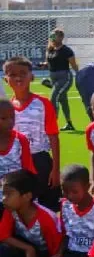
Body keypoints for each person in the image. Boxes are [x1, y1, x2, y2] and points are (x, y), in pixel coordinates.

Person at [4, 56, 61, 212]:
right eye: (12, 74)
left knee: (47, 207)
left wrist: (55, 169)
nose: (18, 77)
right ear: (5, 79)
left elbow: (53, 136)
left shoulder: (43, 103)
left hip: (40, 160)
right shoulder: (6, 108)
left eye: (23, 73)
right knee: (22, 207)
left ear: (32, 76)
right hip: (18, 163)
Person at [0, 170, 62, 257]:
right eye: (3, 193)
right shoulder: (11, 210)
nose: (3, 198)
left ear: (27, 196)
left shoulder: (46, 218)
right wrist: (28, 248)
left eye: (8, 194)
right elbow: (2, 235)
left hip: (46, 254)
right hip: (29, 251)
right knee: (2, 249)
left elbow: (57, 249)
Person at [44, 29, 78, 131]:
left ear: (61, 38)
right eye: (51, 36)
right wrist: (43, 65)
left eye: (54, 36)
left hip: (64, 78)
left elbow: (74, 65)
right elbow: (48, 63)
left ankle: (52, 123)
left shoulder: (67, 50)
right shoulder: (50, 49)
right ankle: (69, 124)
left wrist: (79, 75)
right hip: (54, 77)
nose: (52, 38)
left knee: (54, 97)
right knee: (63, 100)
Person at [0, 99, 36, 180]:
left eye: (12, 117)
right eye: (3, 118)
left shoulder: (20, 140)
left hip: (17, 191)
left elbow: (28, 169)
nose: (10, 121)